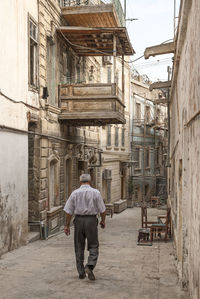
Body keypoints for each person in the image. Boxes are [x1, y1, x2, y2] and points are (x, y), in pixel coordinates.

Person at [63, 173, 106, 281]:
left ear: (80, 182)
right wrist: (103, 221)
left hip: (78, 220)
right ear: (90, 181)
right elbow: (102, 210)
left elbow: (68, 211)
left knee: (78, 246)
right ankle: (90, 266)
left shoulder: (75, 193)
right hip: (91, 220)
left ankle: (81, 272)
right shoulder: (96, 193)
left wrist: (66, 225)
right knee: (94, 245)